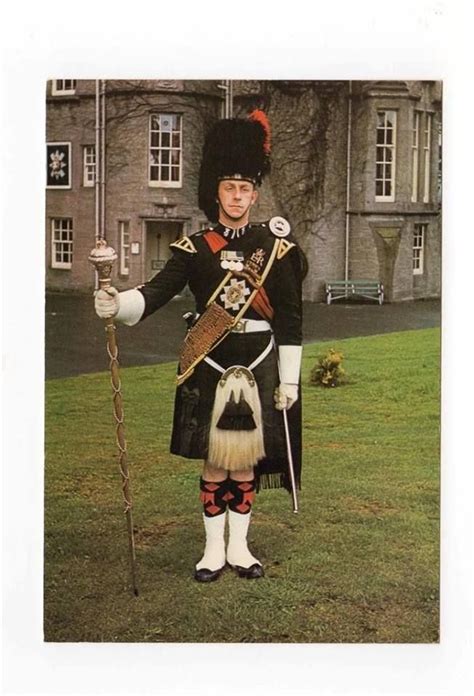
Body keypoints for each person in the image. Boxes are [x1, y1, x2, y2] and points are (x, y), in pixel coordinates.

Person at [94, 110, 305, 582]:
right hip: (210, 361)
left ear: (255, 193)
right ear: (217, 191)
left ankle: (241, 549)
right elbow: (155, 293)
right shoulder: (195, 247)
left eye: (244, 189)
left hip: (261, 362)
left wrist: (288, 380)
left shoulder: (277, 249)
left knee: (246, 462)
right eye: (229, 188)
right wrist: (117, 303)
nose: (236, 196)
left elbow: (291, 320)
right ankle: (213, 551)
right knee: (215, 462)